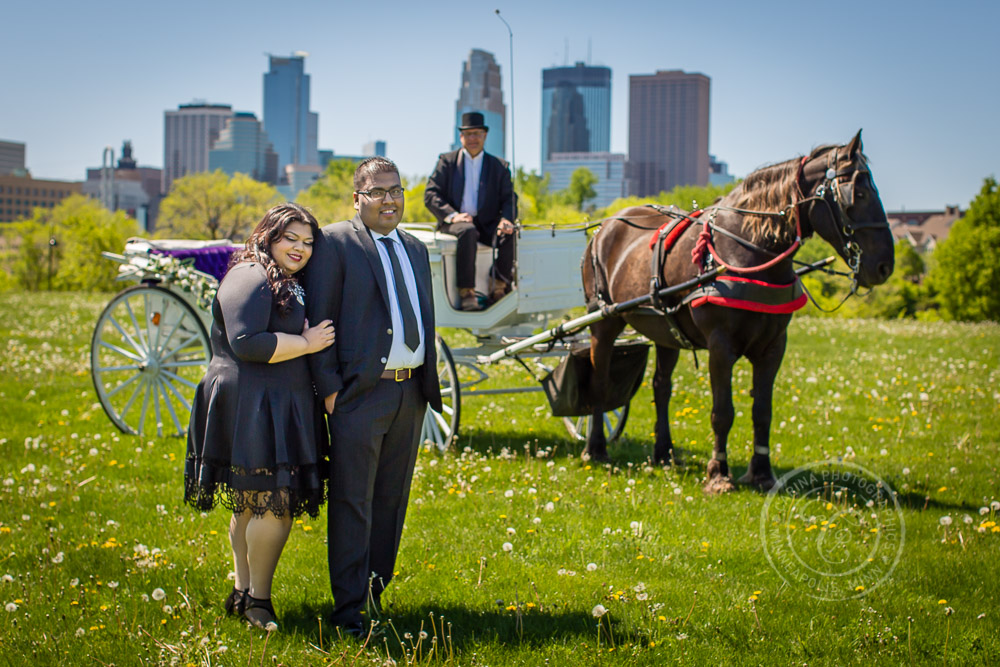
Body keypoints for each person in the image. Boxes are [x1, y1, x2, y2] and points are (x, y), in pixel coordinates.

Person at [303, 157, 443, 638]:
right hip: (360, 397)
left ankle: (373, 594)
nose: (389, 199)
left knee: (390, 501)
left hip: (410, 392)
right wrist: (331, 392)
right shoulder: (336, 243)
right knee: (352, 503)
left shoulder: (416, 248)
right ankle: (347, 613)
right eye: (378, 191)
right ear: (357, 198)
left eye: (396, 190)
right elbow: (320, 318)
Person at [184, 203, 335, 631]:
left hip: (275, 401)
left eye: (307, 242)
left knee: (255, 501)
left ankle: (244, 593)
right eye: (291, 238)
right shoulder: (249, 274)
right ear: (268, 235)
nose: (300, 248)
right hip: (251, 402)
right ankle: (258, 601)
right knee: (273, 504)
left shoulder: (285, 278)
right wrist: (306, 343)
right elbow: (247, 342)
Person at [424, 111, 517, 311]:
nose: (473, 138)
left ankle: (499, 286)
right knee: (467, 231)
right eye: (468, 134)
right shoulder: (447, 162)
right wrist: (453, 215)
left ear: (485, 136)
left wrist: (506, 220)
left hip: (488, 223)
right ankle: (467, 293)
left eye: (477, 134)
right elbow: (431, 195)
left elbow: (509, 198)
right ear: (461, 137)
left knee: (511, 233)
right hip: (457, 224)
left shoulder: (499, 166)